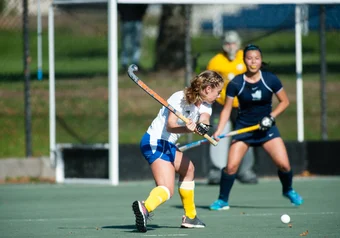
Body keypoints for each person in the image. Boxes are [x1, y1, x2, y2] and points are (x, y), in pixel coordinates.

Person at [209, 44, 304, 211]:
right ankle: (222, 200)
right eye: (249, 58)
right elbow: (226, 109)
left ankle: (288, 190)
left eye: (257, 58)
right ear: (244, 60)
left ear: (261, 60)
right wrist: (218, 131)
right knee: (231, 167)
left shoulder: (270, 79)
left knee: (284, 165)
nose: (253, 61)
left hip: (267, 130)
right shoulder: (236, 83)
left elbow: (285, 102)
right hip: (243, 130)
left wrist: (271, 117)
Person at [132, 71, 224, 232]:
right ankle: (145, 207)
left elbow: (204, 118)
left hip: (168, 144)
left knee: (188, 169)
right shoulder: (179, 98)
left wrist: (202, 126)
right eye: (218, 92)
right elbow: (170, 125)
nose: (219, 96)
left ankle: (190, 217)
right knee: (167, 188)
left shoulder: (205, 104)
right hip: (155, 142)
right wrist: (187, 129)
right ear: (208, 88)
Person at [206, 31, 258, 185]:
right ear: (223, 45)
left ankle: (245, 171)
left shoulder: (247, 59)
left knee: (245, 135)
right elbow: (208, 83)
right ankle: (216, 170)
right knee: (217, 134)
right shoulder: (215, 62)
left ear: (239, 44)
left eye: (233, 43)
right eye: (227, 43)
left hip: (243, 105)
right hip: (221, 105)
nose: (230, 47)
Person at [118, 4, 148, 72]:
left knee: (137, 42)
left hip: (137, 19)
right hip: (126, 19)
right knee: (126, 43)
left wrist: (141, 14)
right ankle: (124, 64)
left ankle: (135, 63)